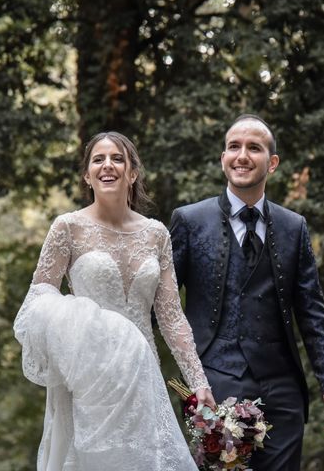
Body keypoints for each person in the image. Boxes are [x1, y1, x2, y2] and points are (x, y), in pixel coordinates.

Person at [14, 131, 215, 471]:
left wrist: (198, 382)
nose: (108, 165)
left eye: (117, 159)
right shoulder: (67, 228)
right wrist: (78, 319)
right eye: (98, 160)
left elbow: (171, 317)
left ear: (132, 173)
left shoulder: (156, 234)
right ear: (87, 175)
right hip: (90, 380)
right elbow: (37, 300)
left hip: (142, 374)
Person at [170, 114, 324, 470]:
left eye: (254, 148)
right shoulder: (189, 221)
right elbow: (164, 304)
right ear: (223, 158)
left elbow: (312, 311)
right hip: (215, 386)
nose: (242, 156)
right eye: (233, 147)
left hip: (283, 392)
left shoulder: (293, 226)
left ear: (273, 163)